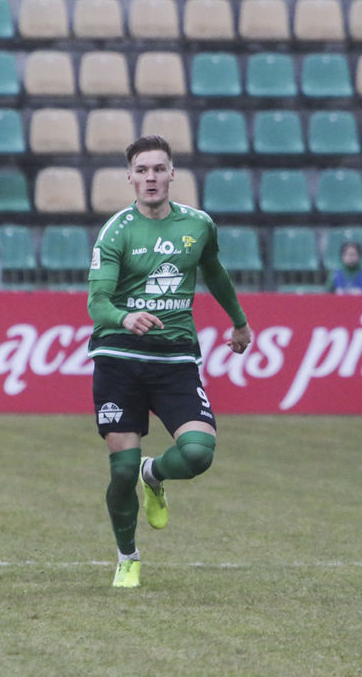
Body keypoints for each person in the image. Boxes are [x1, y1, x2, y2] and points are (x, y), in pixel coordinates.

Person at [87, 135, 253, 589]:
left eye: (159, 169)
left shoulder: (198, 225)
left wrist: (239, 322)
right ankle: (127, 556)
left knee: (198, 454)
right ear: (130, 177)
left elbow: (214, 272)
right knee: (121, 469)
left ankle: (154, 473)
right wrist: (125, 317)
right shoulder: (116, 232)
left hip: (176, 357)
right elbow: (97, 303)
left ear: (172, 174)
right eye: (142, 170)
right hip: (120, 357)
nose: (151, 178)